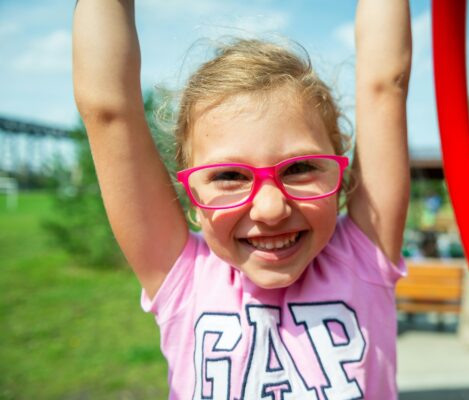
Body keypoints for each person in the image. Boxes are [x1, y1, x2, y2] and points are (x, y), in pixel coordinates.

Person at [72, 0, 411, 398]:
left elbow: (384, 86)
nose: (270, 209)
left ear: (339, 177)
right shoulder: (184, 280)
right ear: (193, 200)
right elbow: (109, 111)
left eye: (300, 168)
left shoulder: (363, 257)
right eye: (229, 176)